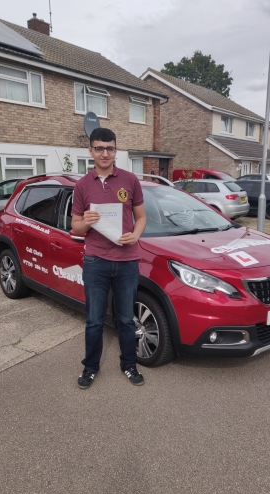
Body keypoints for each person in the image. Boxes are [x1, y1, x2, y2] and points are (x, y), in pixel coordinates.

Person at [72, 128, 147, 389]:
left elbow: (141, 217)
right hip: (95, 261)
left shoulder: (130, 180)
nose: (105, 153)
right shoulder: (82, 185)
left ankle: (129, 364)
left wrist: (135, 235)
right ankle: (90, 367)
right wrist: (86, 222)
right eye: (100, 148)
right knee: (94, 319)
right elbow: (76, 227)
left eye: (110, 148)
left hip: (127, 261)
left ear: (116, 151)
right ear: (91, 151)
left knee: (126, 318)